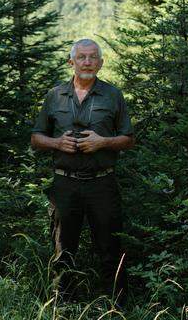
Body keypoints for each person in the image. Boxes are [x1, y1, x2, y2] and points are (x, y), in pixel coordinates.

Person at [30, 38, 135, 303]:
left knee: (110, 248)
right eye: (81, 57)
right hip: (65, 185)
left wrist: (103, 142)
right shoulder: (55, 96)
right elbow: (36, 138)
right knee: (63, 250)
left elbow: (128, 139)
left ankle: (115, 306)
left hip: (103, 184)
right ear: (71, 62)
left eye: (92, 57)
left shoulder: (113, 95)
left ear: (100, 63)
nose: (87, 62)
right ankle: (61, 307)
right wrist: (57, 143)